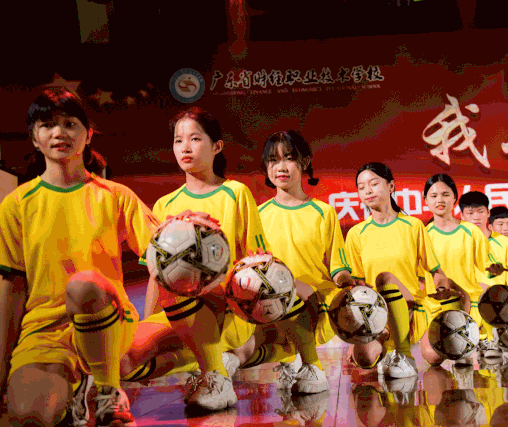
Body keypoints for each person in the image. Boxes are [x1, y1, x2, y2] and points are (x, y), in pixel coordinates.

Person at [0, 87, 159, 427]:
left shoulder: (116, 196)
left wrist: (188, 229)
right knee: (29, 418)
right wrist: (2, 368)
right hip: (45, 332)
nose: (59, 133)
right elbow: (12, 288)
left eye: (70, 124)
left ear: (88, 135)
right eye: (47, 125)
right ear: (34, 138)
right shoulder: (16, 205)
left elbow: (166, 254)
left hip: (108, 322)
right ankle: (79, 392)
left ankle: (107, 388)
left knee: (83, 284)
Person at [121, 107, 270, 412]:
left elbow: (257, 265)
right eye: (178, 140)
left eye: (195, 139)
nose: (185, 147)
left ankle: (215, 373)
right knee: (124, 360)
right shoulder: (165, 205)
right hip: (179, 312)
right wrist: (149, 323)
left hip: (226, 313)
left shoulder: (236, 194)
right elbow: (156, 277)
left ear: (217, 146)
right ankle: (215, 364)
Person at [227, 130, 354, 396]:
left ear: (305, 162)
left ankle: (310, 365)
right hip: (272, 303)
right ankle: (276, 358)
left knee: (288, 294)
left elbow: (338, 267)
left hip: (314, 302)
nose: (280, 167)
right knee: (241, 347)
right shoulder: (258, 215)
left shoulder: (323, 212)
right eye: (273, 160)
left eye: (288, 158)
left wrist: (347, 284)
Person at [345, 163, 462, 378]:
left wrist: (441, 288)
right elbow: (357, 285)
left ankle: (404, 354)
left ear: (391, 186)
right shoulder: (356, 234)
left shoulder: (413, 226)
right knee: (364, 359)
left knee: (434, 357)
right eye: (361, 187)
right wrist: (356, 335)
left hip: (413, 307)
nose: (368, 191)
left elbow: (436, 271)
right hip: (377, 314)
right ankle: (389, 345)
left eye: (374, 184)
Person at [421, 174, 497, 359]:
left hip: (471, 306)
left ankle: (482, 337)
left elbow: (488, 271)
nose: (440, 200)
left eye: (445, 194)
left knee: (471, 361)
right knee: (432, 357)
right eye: (434, 196)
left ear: (455, 198)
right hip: (437, 308)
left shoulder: (471, 232)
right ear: (426, 200)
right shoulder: (422, 236)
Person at [458, 191, 508, 305]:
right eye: (470, 213)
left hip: (498, 307)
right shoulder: (456, 242)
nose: (476, 217)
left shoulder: (503, 242)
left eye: (480, 211)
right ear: (462, 216)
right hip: (465, 306)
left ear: (488, 213)